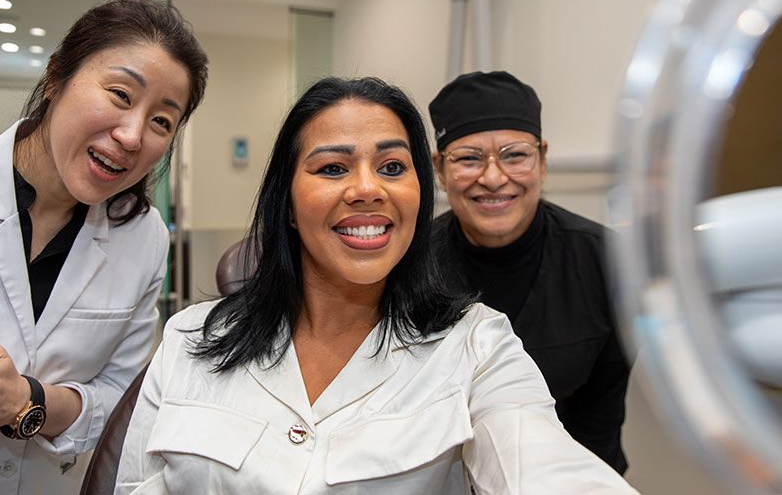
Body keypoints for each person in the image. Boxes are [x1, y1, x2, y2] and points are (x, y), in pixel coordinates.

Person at [115, 76, 638, 494]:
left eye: (391, 166)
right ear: (288, 203)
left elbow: (540, 462)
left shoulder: (478, 346)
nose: (367, 188)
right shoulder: (189, 340)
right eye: (332, 168)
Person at [0, 0, 208, 494]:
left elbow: (123, 401)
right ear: (56, 77)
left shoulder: (144, 236)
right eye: (121, 95)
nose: (132, 136)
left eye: (162, 121)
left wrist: (27, 399)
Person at [428, 70, 631, 473]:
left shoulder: (606, 264)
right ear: (440, 170)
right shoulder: (409, 266)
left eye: (514, 155)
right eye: (468, 158)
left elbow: (599, 424)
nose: (492, 178)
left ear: (542, 161)